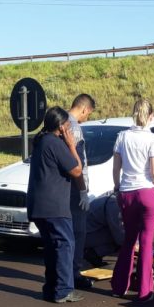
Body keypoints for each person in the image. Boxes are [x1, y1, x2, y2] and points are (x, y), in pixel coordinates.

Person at [111, 99, 154, 302]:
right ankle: (145, 291)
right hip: (147, 193)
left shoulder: (122, 136)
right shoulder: (153, 139)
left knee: (129, 240)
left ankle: (119, 286)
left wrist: (117, 188)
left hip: (127, 192)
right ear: (151, 116)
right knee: (146, 242)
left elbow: (116, 168)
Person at [27, 106, 83, 303]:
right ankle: (63, 290)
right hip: (55, 206)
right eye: (68, 124)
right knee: (65, 245)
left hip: (39, 205)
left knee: (52, 247)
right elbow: (77, 170)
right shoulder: (55, 143)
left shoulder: (41, 141)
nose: (70, 127)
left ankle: (51, 288)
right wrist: (72, 146)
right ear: (61, 127)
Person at [66, 93, 96, 289]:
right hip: (75, 188)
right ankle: (74, 274)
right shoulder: (75, 128)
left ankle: (64, 273)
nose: (86, 118)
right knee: (78, 233)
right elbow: (78, 164)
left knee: (65, 234)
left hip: (61, 187)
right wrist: (83, 191)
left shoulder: (60, 122)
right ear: (84, 109)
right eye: (88, 114)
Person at [83, 193, 123, 267]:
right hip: (87, 237)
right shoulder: (113, 203)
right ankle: (94, 253)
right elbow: (119, 237)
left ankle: (95, 252)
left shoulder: (112, 199)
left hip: (89, 233)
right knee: (118, 238)